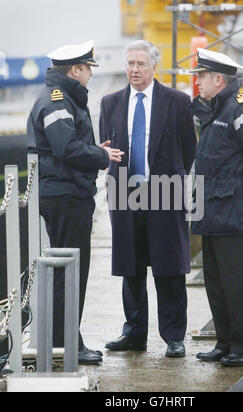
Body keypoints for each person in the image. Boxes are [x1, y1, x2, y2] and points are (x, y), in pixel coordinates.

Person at [27, 40, 124, 365]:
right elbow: (65, 148)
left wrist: (96, 149)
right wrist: (100, 154)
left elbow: (69, 144)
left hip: (67, 193)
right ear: (75, 70)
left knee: (69, 271)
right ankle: (66, 343)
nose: (90, 76)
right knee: (70, 272)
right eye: (87, 69)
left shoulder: (65, 98)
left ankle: (67, 340)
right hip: (65, 196)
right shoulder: (57, 101)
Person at [99, 40, 197, 357]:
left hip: (165, 190)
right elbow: (107, 147)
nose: (134, 70)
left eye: (140, 64)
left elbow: (189, 147)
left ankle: (174, 336)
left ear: (154, 66)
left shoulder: (178, 101)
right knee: (131, 265)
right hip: (125, 192)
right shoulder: (111, 102)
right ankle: (134, 332)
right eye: (130, 64)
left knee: (169, 267)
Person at [189, 48, 243, 367]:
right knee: (216, 282)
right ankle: (225, 342)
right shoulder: (216, 110)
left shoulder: (241, 110)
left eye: (201, 77)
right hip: (212, 212)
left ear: (218, 79)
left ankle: (242, 348)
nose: (197, 83)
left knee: (236, 283)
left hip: (233, 213)